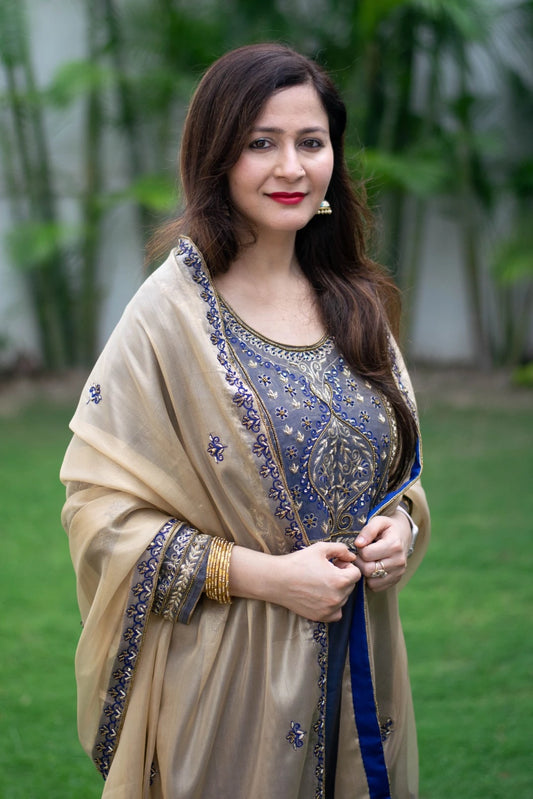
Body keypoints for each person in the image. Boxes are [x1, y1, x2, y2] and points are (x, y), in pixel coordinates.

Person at [61, 42, 430, 799]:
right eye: (261, 143)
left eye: (311, 142)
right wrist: (264, 576)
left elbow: (398, 474)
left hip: (363, 670)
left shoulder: (353, 298)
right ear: (216, 158)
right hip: (229, 686)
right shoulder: (169, 317)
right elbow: (97, 515)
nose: (290, 168)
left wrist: (403, 528)